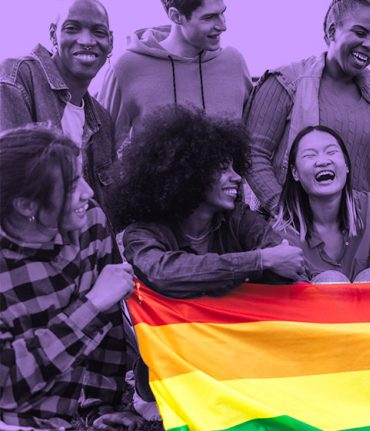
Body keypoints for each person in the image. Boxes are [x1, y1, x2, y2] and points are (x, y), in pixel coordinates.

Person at [0, 126, 142, 430]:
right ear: (27, 205)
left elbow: (112, 331)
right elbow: (8, 387)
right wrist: (91, 306)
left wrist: (100, 407)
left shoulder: (91, 220)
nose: (89, 193)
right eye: (72, 185)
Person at [245, 0, 370, 214]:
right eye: (360, 33)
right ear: (332, 31)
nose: (369, 44)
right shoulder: (286, 82)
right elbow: (251, 155)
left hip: (355, 231)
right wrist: (286, 211)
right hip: (287, 232)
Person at [111, 106, 305, 298]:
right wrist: (259, 261)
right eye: (223, 168)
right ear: (188, 174)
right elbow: (162, 273)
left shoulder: (239, 219)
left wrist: (274, 263)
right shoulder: (142, 233)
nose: (237, 177)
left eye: (234, 167)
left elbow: (286, 261)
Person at [0, 0, 116, 206]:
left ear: (110, 42)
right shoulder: (17, 78)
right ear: (53, 35)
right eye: (72, 28)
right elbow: (13, 187)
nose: (87, 40)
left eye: (98, 32)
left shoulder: (102, 120)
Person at [98, 0, 252, 150]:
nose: (223, 26)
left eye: (222, 13)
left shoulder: (234, 63)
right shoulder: (127, 67)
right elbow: (102, 151)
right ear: (176, 16)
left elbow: (254, 146)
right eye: (209, 17)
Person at [273, 125, 370, 283]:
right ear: (295, 173)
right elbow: (286, 300)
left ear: (347, 165)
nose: (322, 161)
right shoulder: (283, 232)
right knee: (331, 281)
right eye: (310, 155)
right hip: (316, 307)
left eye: (331, 152)